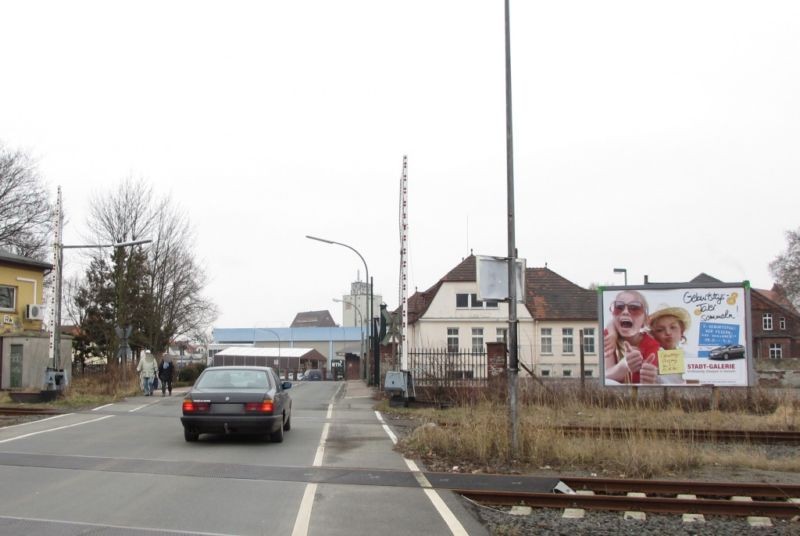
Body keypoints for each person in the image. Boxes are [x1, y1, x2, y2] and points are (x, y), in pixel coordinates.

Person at [604, 290, 660, 384]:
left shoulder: (651, 345)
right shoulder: (609, 337)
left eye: (634, 308)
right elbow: (606, 376)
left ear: (645, 320)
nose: (625, 312)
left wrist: (647, 378)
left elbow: (648, 382)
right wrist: (624, 365)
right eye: (619, 307)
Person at [648, 305, 691, 384]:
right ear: (653, 335)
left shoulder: (691, 359)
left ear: (682, 331)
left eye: (673, 327)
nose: (668, 332)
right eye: (660, 330)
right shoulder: (649, 360)